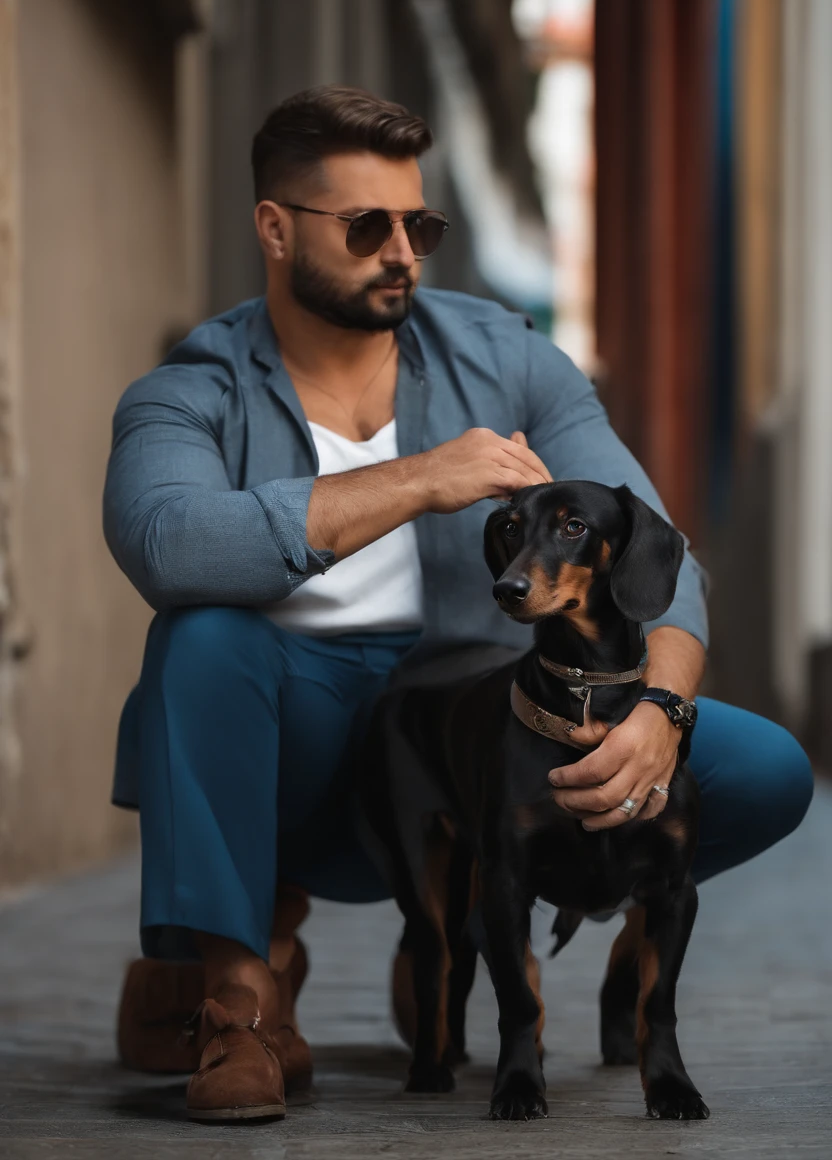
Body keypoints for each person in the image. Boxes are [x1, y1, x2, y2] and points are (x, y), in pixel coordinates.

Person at [104, 85, 813, 1123]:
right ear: (272, 228)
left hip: (483, 732)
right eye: (366, 227)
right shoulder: (193, 388)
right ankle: (240, 998)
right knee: (202, 638)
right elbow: (166, 543)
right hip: (287, 744)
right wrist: (418, 478)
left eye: (418, 225)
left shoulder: (510, 360)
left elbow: (661, 556)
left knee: (759, 768)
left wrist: (659, 717)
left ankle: (550, 937)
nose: (402, 251)